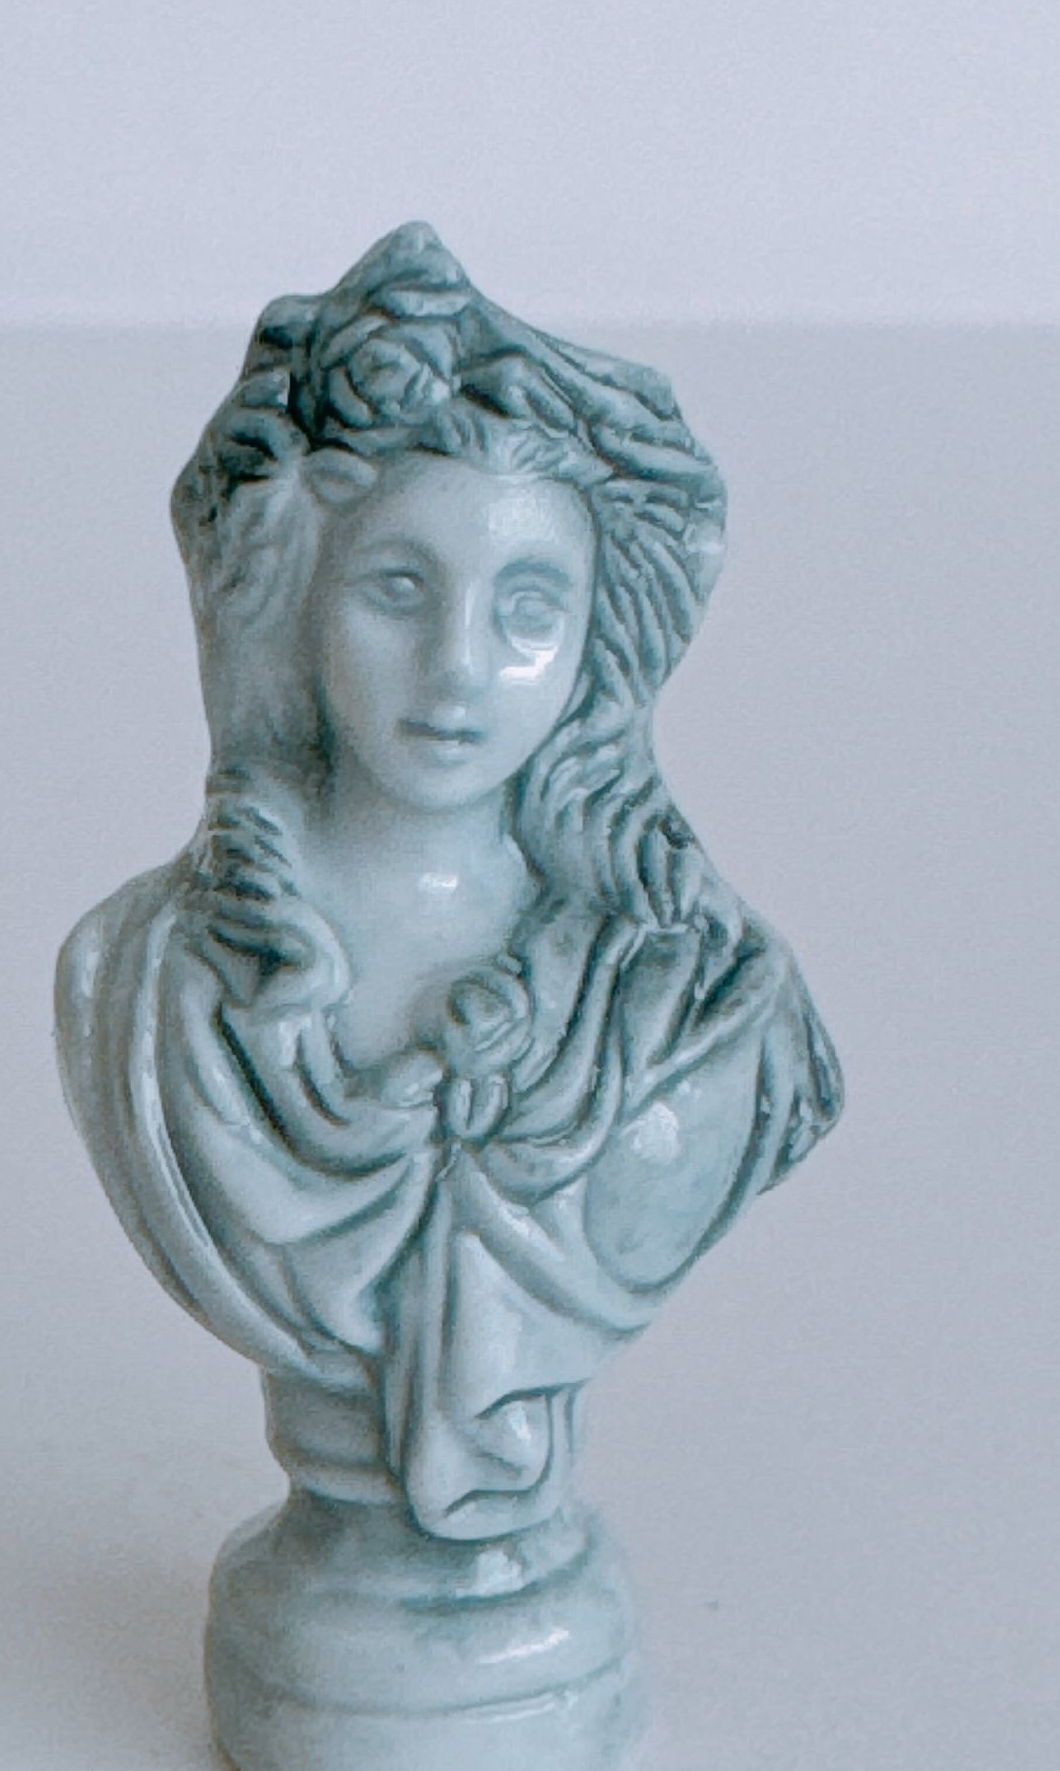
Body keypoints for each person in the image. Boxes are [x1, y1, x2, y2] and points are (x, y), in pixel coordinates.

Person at [57, 223, 842, 1547]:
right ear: (298, 604)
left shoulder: (705, 1006)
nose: (459, 667)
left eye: (528, 609)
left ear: (597, 651)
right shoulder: (137, 983)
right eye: (398, 588)